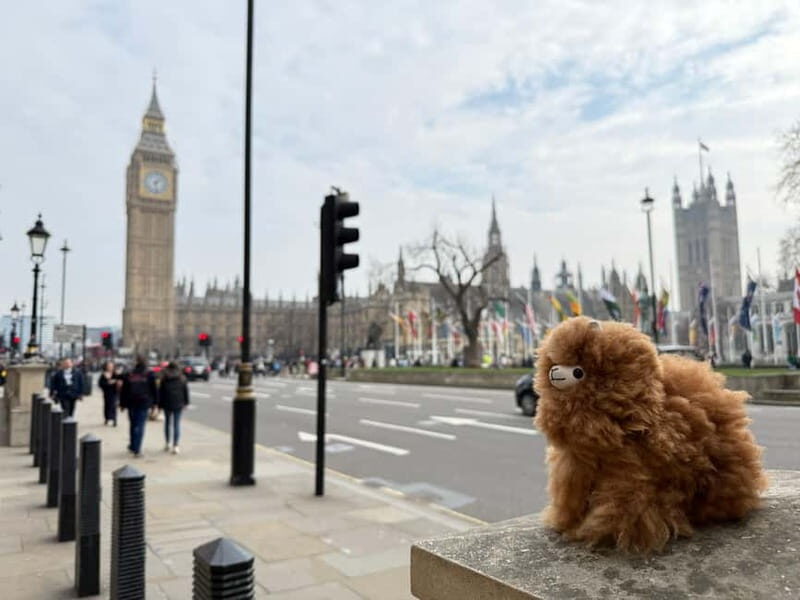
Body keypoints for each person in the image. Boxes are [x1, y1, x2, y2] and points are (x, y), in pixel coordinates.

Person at [120, 356, 157, 458]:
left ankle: (133, 445)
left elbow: (124, 390)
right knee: (140, 425)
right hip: (144, 402)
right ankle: (137, 448)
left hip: (131, 402)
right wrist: (155, 404)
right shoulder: (149, 374)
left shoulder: (130, 373)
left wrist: (122, 404)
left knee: (133, 424)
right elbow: (154, 390)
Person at [157, 361, 190, 454]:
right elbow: (185, 391)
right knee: (176, 424)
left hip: (167, 403)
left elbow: (160, 392)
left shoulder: (164, 377)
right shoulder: (182, 377)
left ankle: (167, 443)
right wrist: (186, 403)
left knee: (167, 423)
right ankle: (175, 445)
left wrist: (159, 405)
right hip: (178, 403)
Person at [98, 361, 121, 426]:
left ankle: (114, 420)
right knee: (107, 405)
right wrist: (108, 383)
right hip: (107, 392)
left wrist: (116, 382)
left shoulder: (116, 374)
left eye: (111, 366)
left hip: (114, 392)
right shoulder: (103, 374)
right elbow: (100, 384)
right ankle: (107, 418)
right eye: (108, 366)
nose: (110, 367)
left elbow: (120, 382)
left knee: (114, 405)